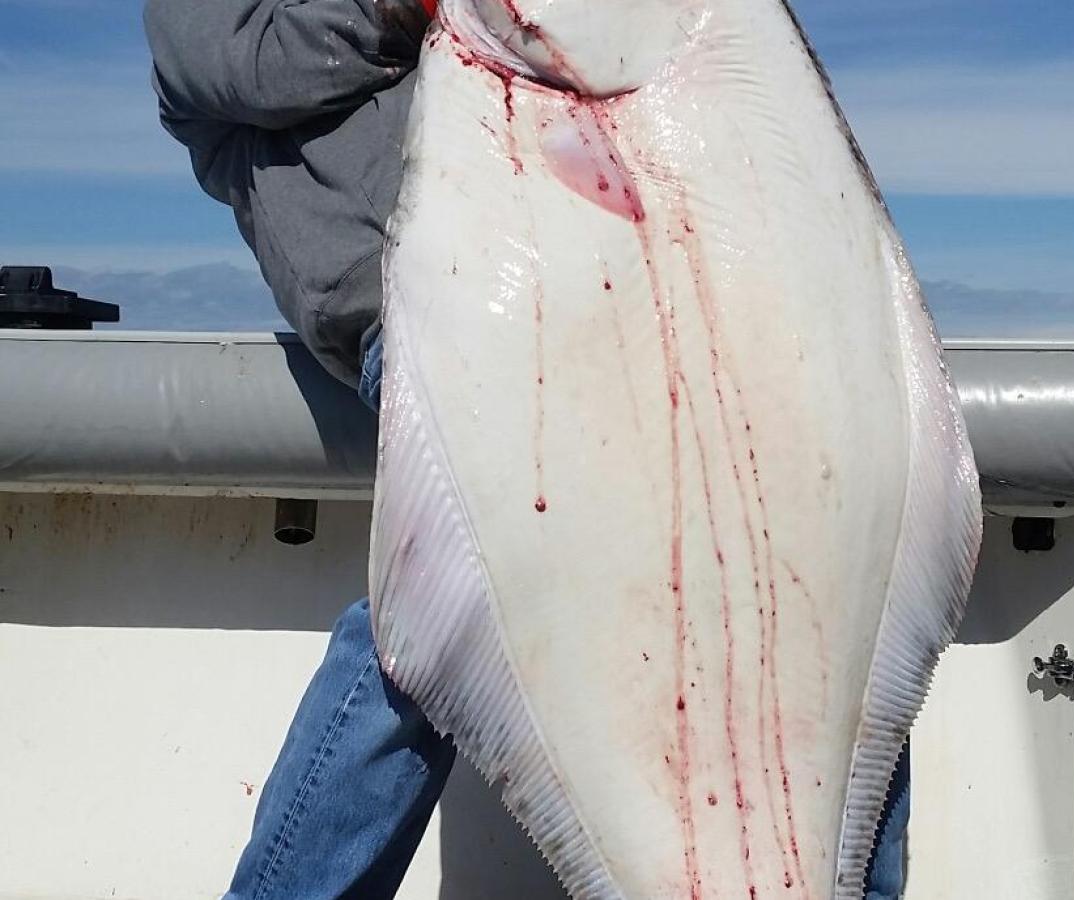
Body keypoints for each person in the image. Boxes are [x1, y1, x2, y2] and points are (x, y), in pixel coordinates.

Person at [143, 1, 908, 897]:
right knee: (428, 622)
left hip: (637, 294)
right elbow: (236, 61)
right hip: (447, 317)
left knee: (830, 588)